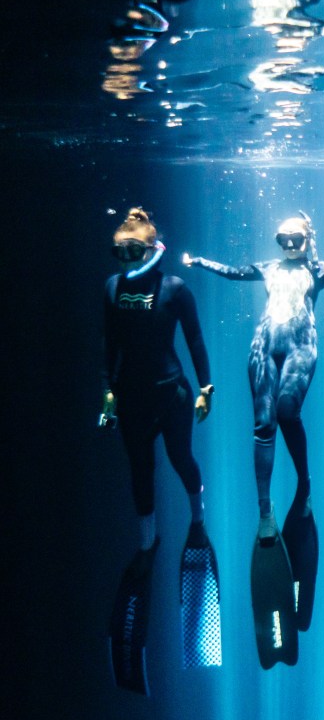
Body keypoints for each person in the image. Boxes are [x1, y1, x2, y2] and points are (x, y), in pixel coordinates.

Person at [184, 214, 324, 639]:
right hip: (262, 346)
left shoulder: (320, 269)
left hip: (300, 347)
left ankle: (304, 485)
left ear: (307, 238)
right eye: (282, 237)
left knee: (288, 411)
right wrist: (200, 262)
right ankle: (265, 510)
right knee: (263, 423)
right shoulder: (270, 268)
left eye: (295, 237)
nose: (288, 243)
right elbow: (235, 273)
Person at [101, 207, 216, 692]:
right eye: (119, 252)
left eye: (133, 252)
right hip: (131, 397)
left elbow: (194, 339)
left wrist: (206, 387)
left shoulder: (174, 289)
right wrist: (107, 391)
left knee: (180, 460)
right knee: (139, 470)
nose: (126, 260)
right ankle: (148, 543)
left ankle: (196, 517)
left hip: (171, 393)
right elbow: (109, 344)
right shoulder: (111, 288)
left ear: (151, 249)